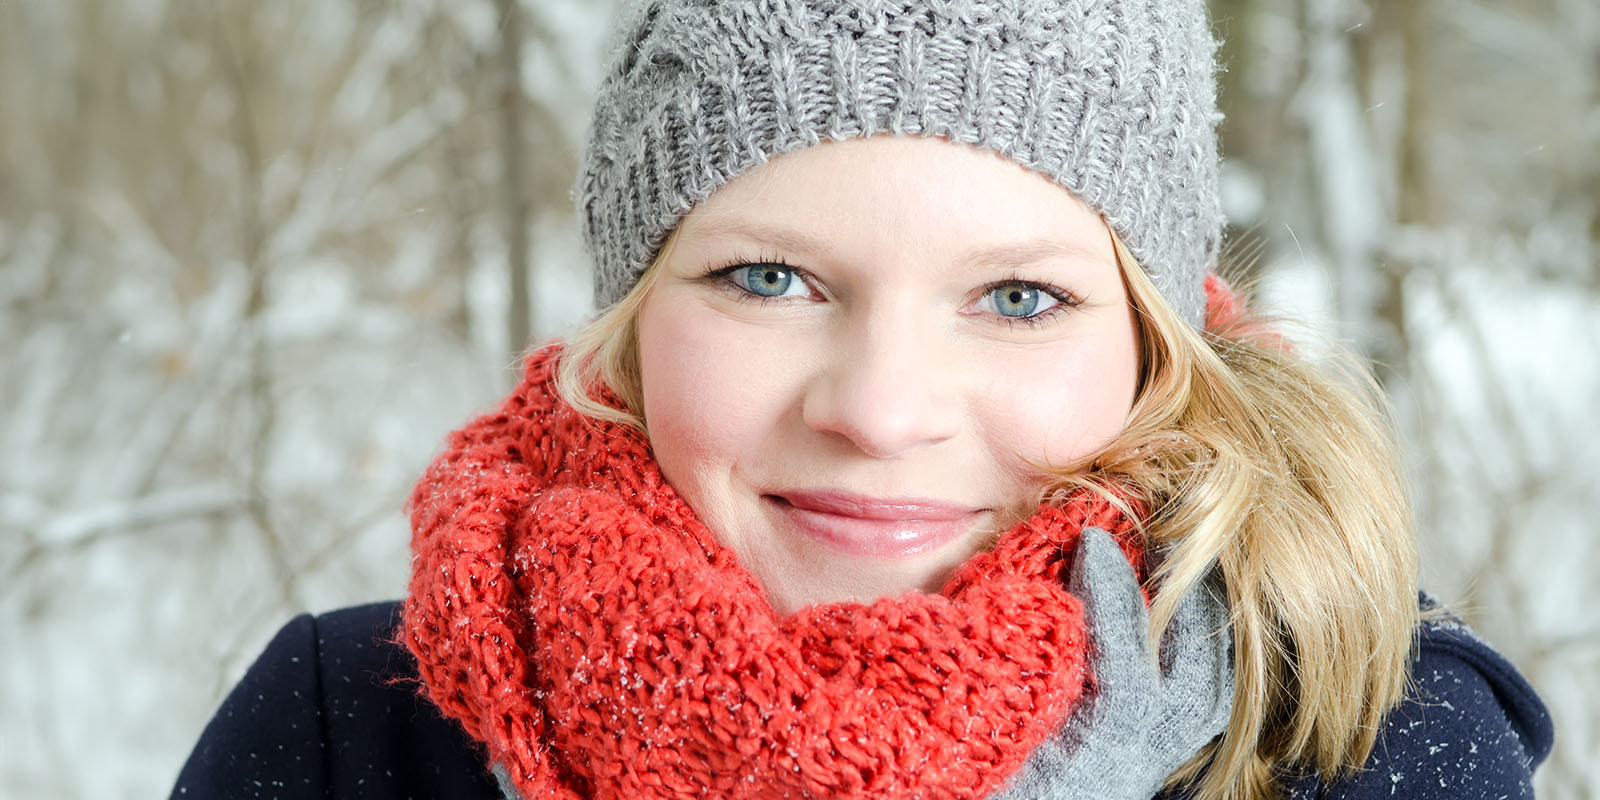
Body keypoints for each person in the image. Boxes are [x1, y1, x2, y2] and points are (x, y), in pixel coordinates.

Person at [171, 1, 1553, 798]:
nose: (882, 412)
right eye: (770, 278)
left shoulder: (1362, 741)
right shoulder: (353, 730)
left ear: (1155, 344)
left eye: (1018, 298)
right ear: (632, 320)